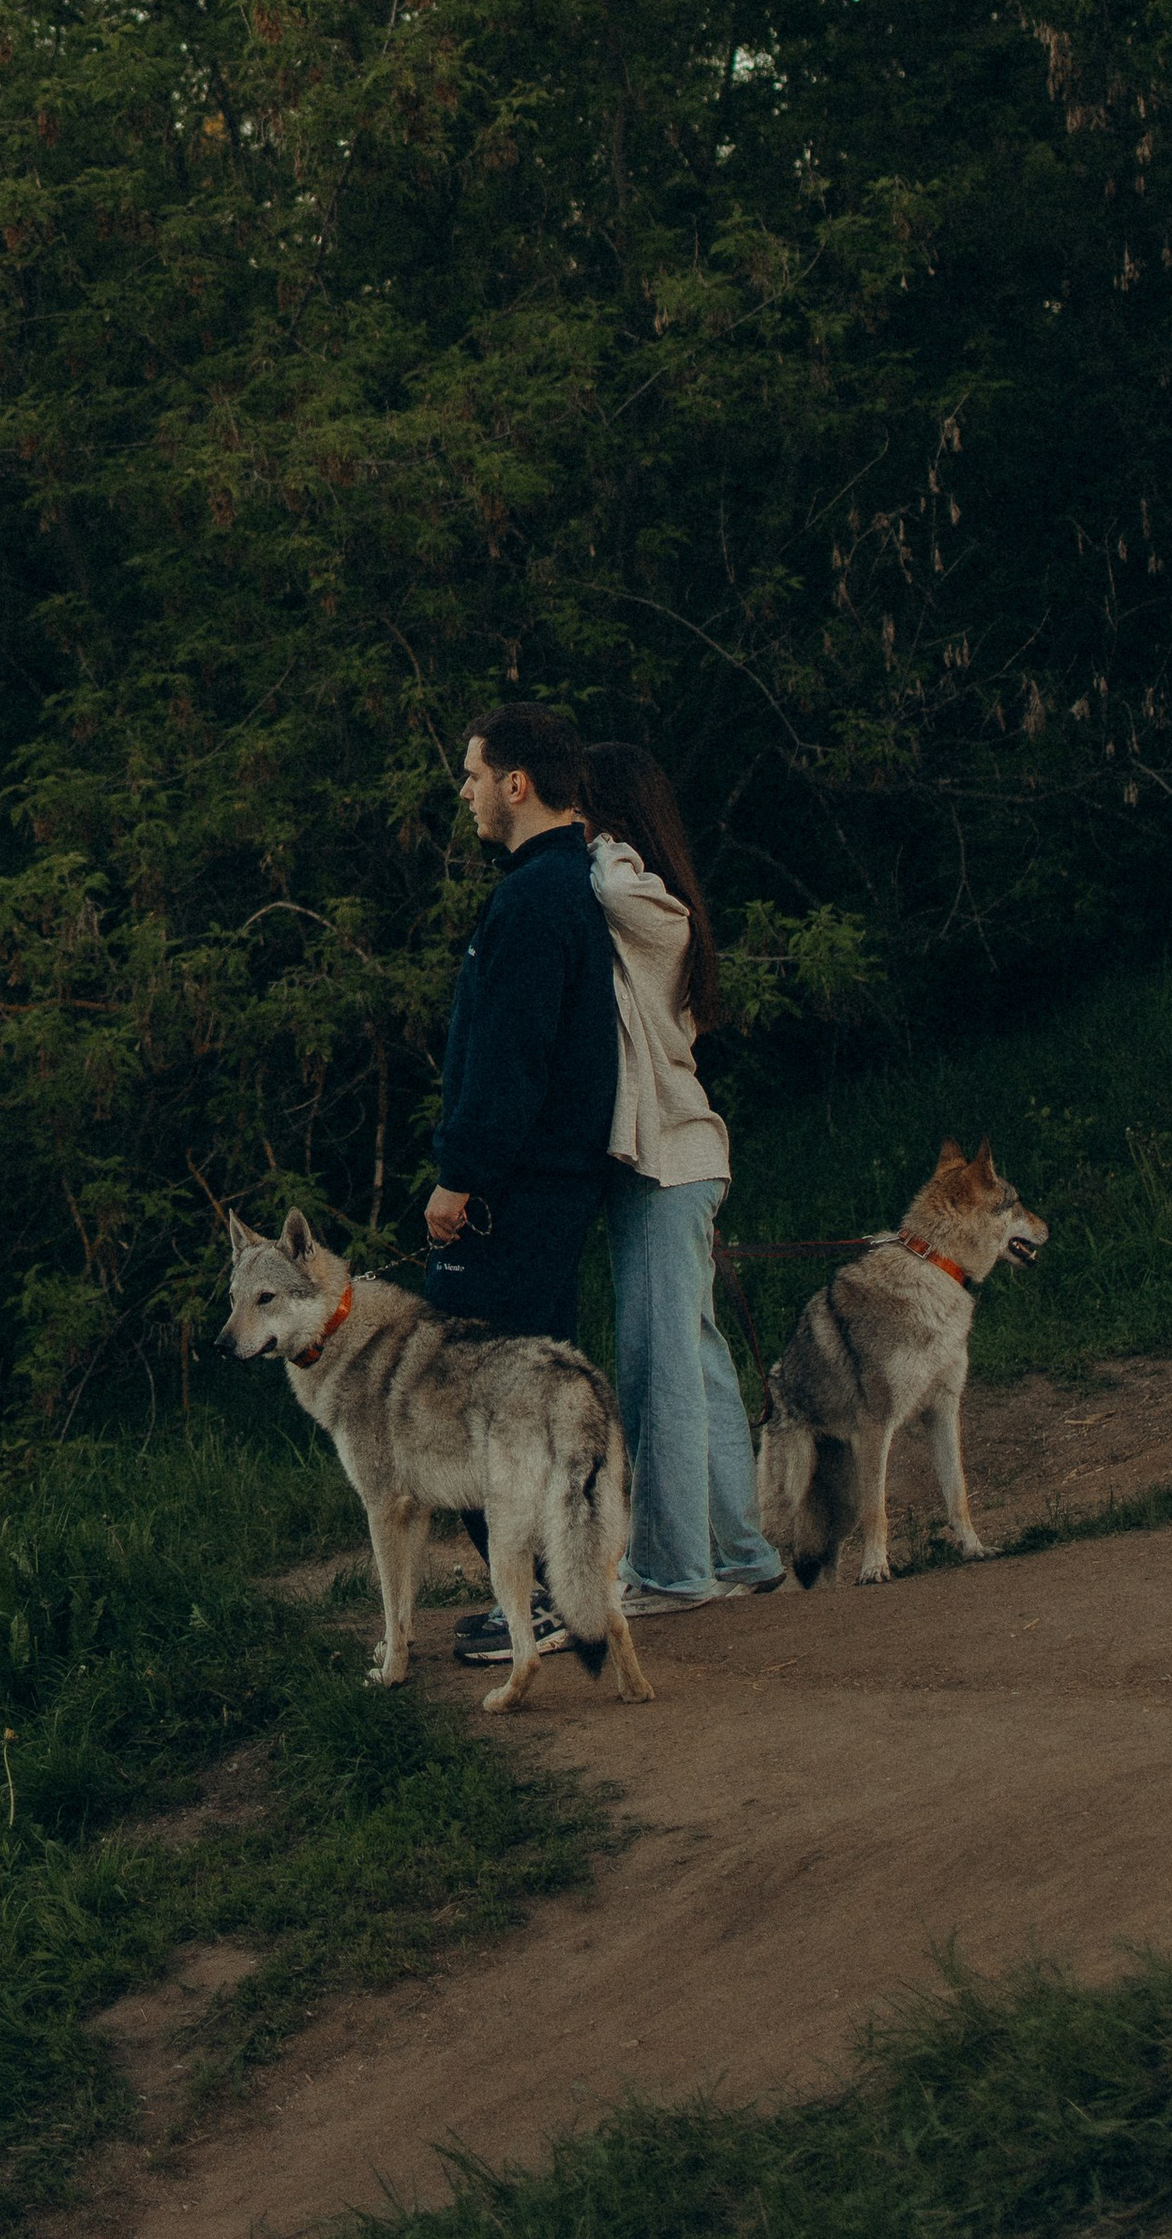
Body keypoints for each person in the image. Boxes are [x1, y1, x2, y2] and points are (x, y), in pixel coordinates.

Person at [425, 700, 620, 1669]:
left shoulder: (533, 903)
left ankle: (539, 1604)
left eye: (471, 775)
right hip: (547, 1195)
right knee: (521, 1403)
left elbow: (509, 1064)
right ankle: (551, 1600)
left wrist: (460, 1178)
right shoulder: (559, 887)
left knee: (471, 1407)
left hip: (515, 1201)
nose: (462, 792)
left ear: (516, 782)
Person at [585, 740, 783, 1611]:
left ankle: (672, 1572)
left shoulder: (639, 896)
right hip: (672, 1165)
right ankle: (741, 1552)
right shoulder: (645, 906)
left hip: (671, 1165)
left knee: (658, 1365)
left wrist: (593, 845)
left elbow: (621, 890)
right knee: (693, 1365)